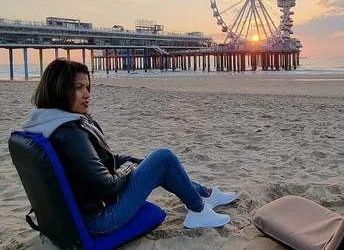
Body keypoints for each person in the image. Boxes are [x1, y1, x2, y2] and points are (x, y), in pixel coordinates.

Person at [22, 58, 236, 233]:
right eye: (78, 88)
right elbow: (107, 187)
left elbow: (97, 164)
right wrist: (132, 168)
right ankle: (199, 211)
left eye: (87, 87)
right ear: (59, 89)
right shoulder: (69, 133)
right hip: (100, 220)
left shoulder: (50, 123)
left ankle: (205, 193)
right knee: (164, 156)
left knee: (156, 163)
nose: (87, 94)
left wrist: (135, 163)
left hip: (84, 212)